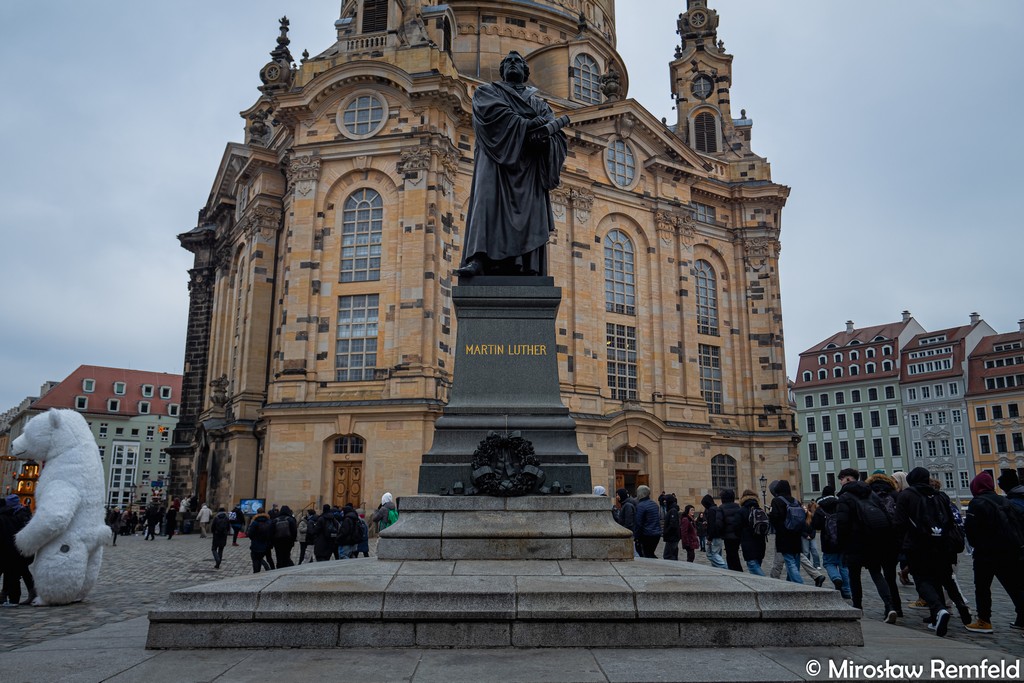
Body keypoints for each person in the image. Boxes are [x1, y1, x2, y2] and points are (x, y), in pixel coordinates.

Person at [453, 51, 569, 278]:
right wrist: (529, 124)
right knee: (486, 203)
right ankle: (478, 259)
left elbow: (557, 137)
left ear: (526, 72)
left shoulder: (540, 104)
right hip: (494, 160)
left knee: (529, 213)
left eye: (518, 61)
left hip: (529, 167)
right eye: (509, 61)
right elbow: (492, 116)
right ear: (502, 70)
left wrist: (545, 139)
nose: (513, 63)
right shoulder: (487, 92)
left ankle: (527, 266)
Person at [895, 466, 963, 637]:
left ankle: (938, 609)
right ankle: (952, 613)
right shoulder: (939, 495)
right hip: (942, 545)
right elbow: (950, 520)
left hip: (917, 544)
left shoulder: (906, 495)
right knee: (942, 578)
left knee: (922, 580)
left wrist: (902, 545)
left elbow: (900, 523)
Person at [963, 471, 1024, 633]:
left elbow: (971, 530)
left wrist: (976, 545)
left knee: (982, 587)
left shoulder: (977, 503)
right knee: (1014, 586)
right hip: (1009, 550)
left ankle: (984, 621)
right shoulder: (1004, 500)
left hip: (986, 552)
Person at [836, 468, 898, 624]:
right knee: (876, 573)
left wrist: (841, 544)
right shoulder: (871, 493)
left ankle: (857, 607)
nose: (841, 482)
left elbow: (842, 524)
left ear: (848, 479)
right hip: (874, 540)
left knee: (854, 576)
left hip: (854, 541)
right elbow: (885, 514)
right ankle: (889, 606)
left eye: (841, 479)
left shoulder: (844, 497)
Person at [767, 480, 825, 585]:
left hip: (784, 536)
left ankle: (799, 583)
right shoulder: (795, 501)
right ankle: (792, 583)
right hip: (796, 536)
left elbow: (774, 517)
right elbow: (803, 516)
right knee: (796, 560)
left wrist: (773, 520)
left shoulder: (777, 501)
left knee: (789, 561)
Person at [812, 485, 851, 598]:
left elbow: (816, 525)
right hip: (842, 540)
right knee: (843, 566)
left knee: (829, 563)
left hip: (828, 542)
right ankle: (847, 591)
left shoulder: (820, 509)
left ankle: (836, 578)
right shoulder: (840, 505)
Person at [738, 489, 768, 575]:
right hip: (761, 541)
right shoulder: (760, 509)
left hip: (748, 542)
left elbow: (737, 526)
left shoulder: (742, 510)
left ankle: (766, 582)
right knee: (757, 563)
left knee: (752, 565)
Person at [633, 485, 661, 558]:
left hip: (647, 534)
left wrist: (636, 536)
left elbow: (638, 523)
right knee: (650, 553)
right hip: (656, 534)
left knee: (645, 555)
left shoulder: (641, 506)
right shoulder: (654, 504)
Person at [701, 494, 727, 569]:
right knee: (718, 555)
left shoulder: (711, 510)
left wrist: (710, 538)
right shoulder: (717, 508)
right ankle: (718, 570)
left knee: (711, 554)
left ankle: (726, 568)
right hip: (719, 536)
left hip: (714, 536)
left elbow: (712, 525)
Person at [246, 508, 273, 573]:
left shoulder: (255, 522)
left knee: (256, 560)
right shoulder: (269, 522)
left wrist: (254, 539)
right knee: (267, 558)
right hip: (267, 545)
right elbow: (272, 533)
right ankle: (272, 569)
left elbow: (250, 534)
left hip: (256, 545)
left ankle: (257, 573)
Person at [661, 494, 680, 560]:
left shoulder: (673, 511)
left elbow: (673, 525)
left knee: (669, 555)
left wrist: (666, 531)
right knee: (669, 554)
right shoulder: (671, 510)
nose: (664, 502)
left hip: (672, 537)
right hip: (671, 537)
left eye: (665, 501)